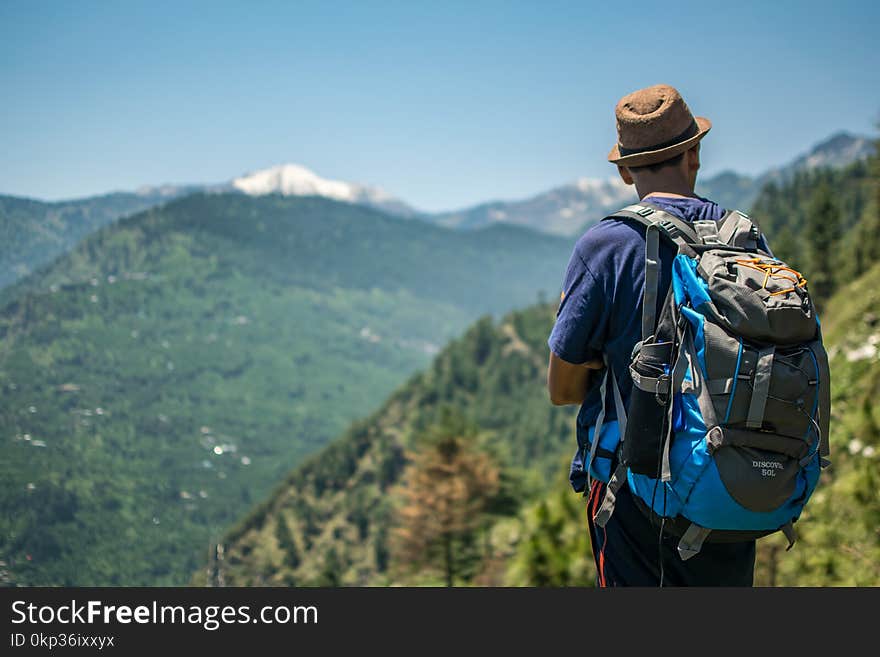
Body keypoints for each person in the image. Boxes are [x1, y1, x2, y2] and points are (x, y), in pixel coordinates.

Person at [546, 84, 756, 586]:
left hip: (637, 492)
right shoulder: (742, 238)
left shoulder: (607, 246)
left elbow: (562, 390)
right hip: (731, 482)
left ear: (623, 170)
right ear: (695, 155)